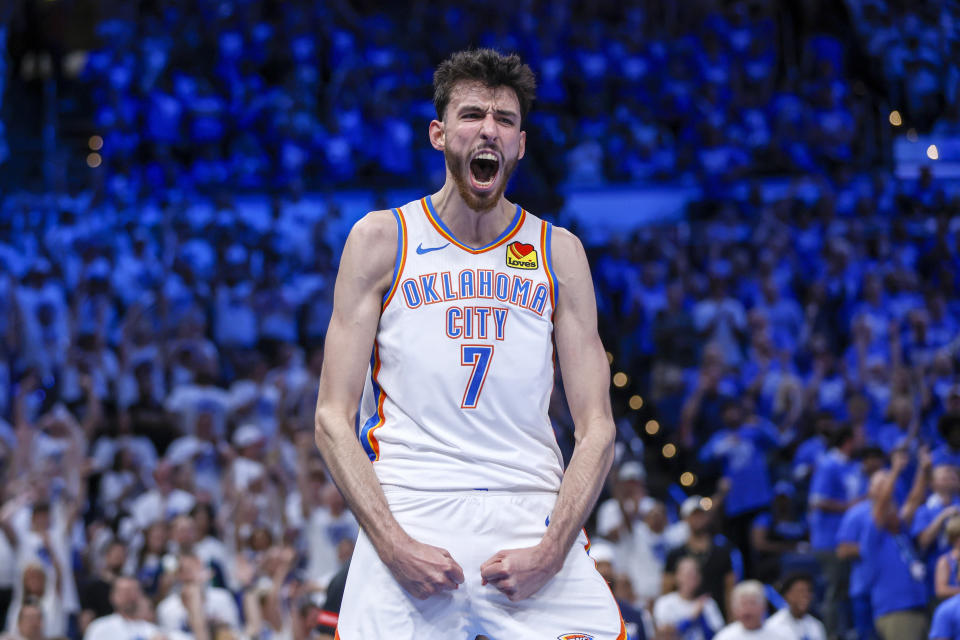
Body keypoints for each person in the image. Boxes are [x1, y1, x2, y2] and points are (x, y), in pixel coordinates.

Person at [313, 49, 625, 639]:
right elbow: (331, 416)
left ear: (521, 144)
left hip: (528, 504)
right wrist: (392, 543)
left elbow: (598, 426)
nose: (489, 129)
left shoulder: (560, 252)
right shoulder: (383, 238)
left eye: (505, 119)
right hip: (410, 500)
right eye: (472, 114)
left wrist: (555, 548)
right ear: (439, 133)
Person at [653, 556, 725, 640]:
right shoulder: (665, 603)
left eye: (695, 573)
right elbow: (664, 636)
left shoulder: (708, 603)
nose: (692, 576)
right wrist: (690, 619)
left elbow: (718, 636)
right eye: (688, 574)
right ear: (677, 576)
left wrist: (702, 619)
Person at [83, 576, 164, 640]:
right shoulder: (99, 628)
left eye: (134, 591)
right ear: (112, 596)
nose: (130, 597)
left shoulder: (153, 632)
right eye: (125, 592)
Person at [713, 580, 790, 640]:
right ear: (734, 609)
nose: (747, 609)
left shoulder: (781, 634)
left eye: (752, 603)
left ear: (763, 607)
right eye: (743, 604)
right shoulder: (725, 637)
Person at [765, 573, 827, 640]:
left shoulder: (816, 625)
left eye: (808, 591)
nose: (805, 596)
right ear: (787, 595)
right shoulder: (773, 626)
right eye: (800, 591)